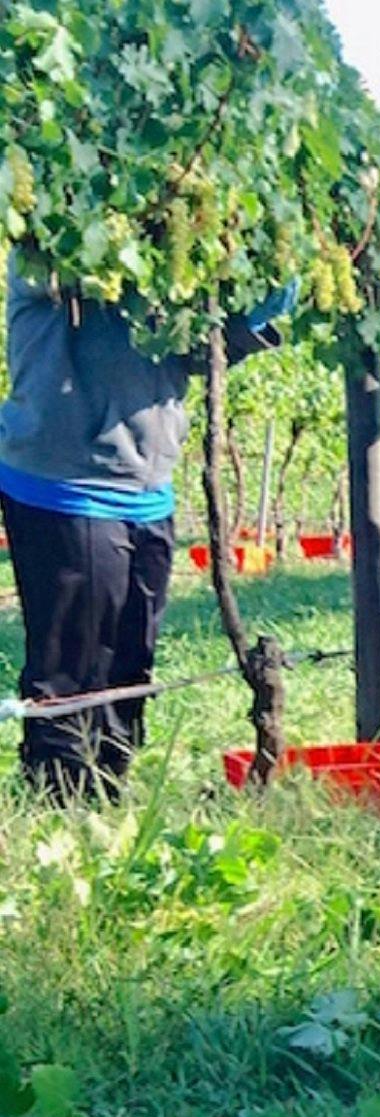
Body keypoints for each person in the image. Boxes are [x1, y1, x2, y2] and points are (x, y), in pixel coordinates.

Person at [0, 257, 290, 800]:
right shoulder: (56, 239)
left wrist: (253, 308)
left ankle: (109, 790)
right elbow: (97, 271)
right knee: (74, 662)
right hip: (67, 481)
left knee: (131, 658)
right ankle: (58, 801)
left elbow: (198, 351)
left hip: (147, 484)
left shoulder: (174, 268)